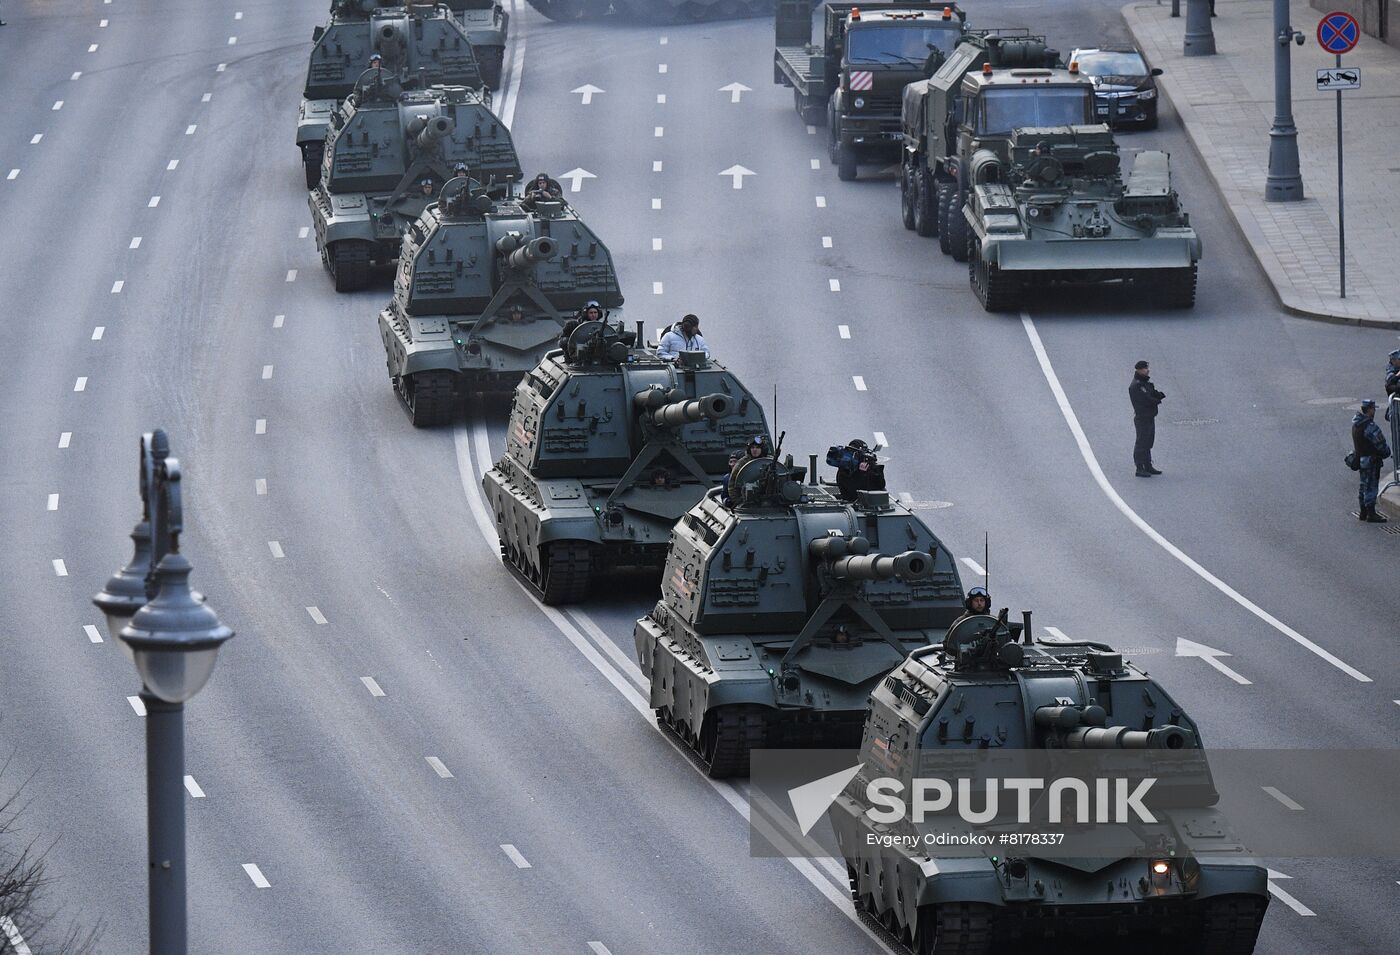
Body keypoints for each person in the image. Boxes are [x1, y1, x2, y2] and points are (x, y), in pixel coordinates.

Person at [1352, 399, 1391, 523]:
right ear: (1369, 410)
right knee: (1371, 486)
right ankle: (1371, 513)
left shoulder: (1356, 423)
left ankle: (1363, 511)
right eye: (1373, 409)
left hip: (1361, 459)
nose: (1374, 411)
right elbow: (1380, 444)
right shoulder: (1370, 426)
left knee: (1363, 485)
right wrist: (1386, 453)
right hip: (1371, 460)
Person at [1129, 360, 1165, 477]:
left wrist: (1158, 394)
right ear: (1139, 370)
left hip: (1149, 416)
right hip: (1142, 417)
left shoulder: (1144, 383)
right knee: (1141, 443)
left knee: (1148, 441)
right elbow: (1146, 399)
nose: (1147, 370)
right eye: (1145, 368)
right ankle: (1139, 467)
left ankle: (1148, 465)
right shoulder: (1137, 385)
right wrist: (1157, 400)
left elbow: (1151, 393)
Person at [1384, 348, 1399, 422]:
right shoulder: (1391, 372)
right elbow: (1389, 384)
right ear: (1393, 360)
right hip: (1396, 407)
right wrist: (1397, 376)